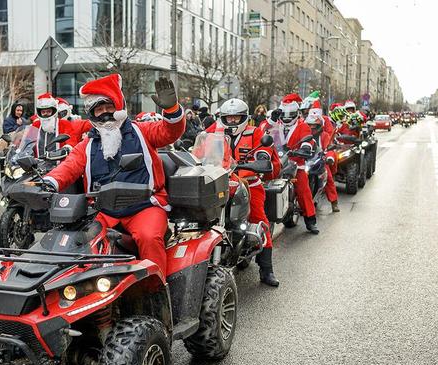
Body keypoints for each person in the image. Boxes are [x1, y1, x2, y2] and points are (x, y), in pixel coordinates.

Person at [43, 74, 185, 277]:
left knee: (149, 237)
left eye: (108, 107)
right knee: (79, 242)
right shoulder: (87, 145)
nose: (104, 114)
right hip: (105, 212)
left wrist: (171, 110)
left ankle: (156, 290)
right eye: (98, 110)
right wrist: (49, 182)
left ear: (118, 106)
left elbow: (169, 132)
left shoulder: (141, 132)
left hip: (144, 207)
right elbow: (69, 166)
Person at [203, 99, 282, 286]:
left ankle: (266, 270)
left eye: (235, 117)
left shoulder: (255, 132)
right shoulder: (214, 131)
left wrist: (261, 158)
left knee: (259, 219)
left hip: (249, 183)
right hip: (219, 182)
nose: (231, 121)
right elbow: (200, 146)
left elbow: (264, 151)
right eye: (228, 118)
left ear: (244, 117)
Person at [277, 93, 319, 234]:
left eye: (290, 114)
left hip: (296, 163)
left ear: (296, 114)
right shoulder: (276, 124)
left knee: (303, 190)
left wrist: (305, 147)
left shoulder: (303, 126)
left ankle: (310, 220)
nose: (287, 117)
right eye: (284, 114)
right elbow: (265, 134)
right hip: (277, 162)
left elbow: (308, 139)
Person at [31, 93, 91, 157]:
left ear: (54, 111)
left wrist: (65, 149)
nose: (46, 114)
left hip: (59, 163)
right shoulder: (36, 124)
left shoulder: (64, 124)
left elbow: (71, 142)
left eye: (48, 111)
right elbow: (27, 142)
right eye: (43, 112)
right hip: (38, 163)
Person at [306, 108, 340, 213]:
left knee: (329, 178)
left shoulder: (324, 135)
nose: (312, 128)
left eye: (314, 126)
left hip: (320, 160)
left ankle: (334, 202)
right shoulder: (304, 135)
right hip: (305, 161)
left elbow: (328, 147)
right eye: (309, 126)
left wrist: (329, 157)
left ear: (320, 126)